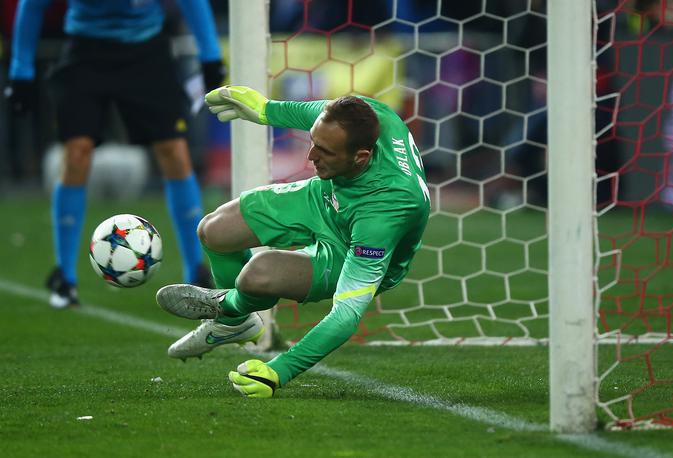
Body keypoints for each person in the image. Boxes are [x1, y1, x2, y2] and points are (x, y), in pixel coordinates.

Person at [155, 85, 430, 398]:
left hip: (352, 243)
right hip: (327, 196)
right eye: (314, 142)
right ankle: (234, 324)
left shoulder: (386, 212)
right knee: (214, 230)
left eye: (324, 152)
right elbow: (312, 115)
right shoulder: (364, 114)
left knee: (257, 275)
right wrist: (265, 110)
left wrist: (279, 371)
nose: (311, 155)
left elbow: (346, 316)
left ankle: (229, 307)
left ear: (361, 157)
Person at [4, 0, 224, 308]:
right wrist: (21, 70)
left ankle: (196, 272)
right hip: (85, 52)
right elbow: (33, 5)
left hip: (146, 51)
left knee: (174, 150)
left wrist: (210, 55)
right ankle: (64, 276)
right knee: (77, 151)